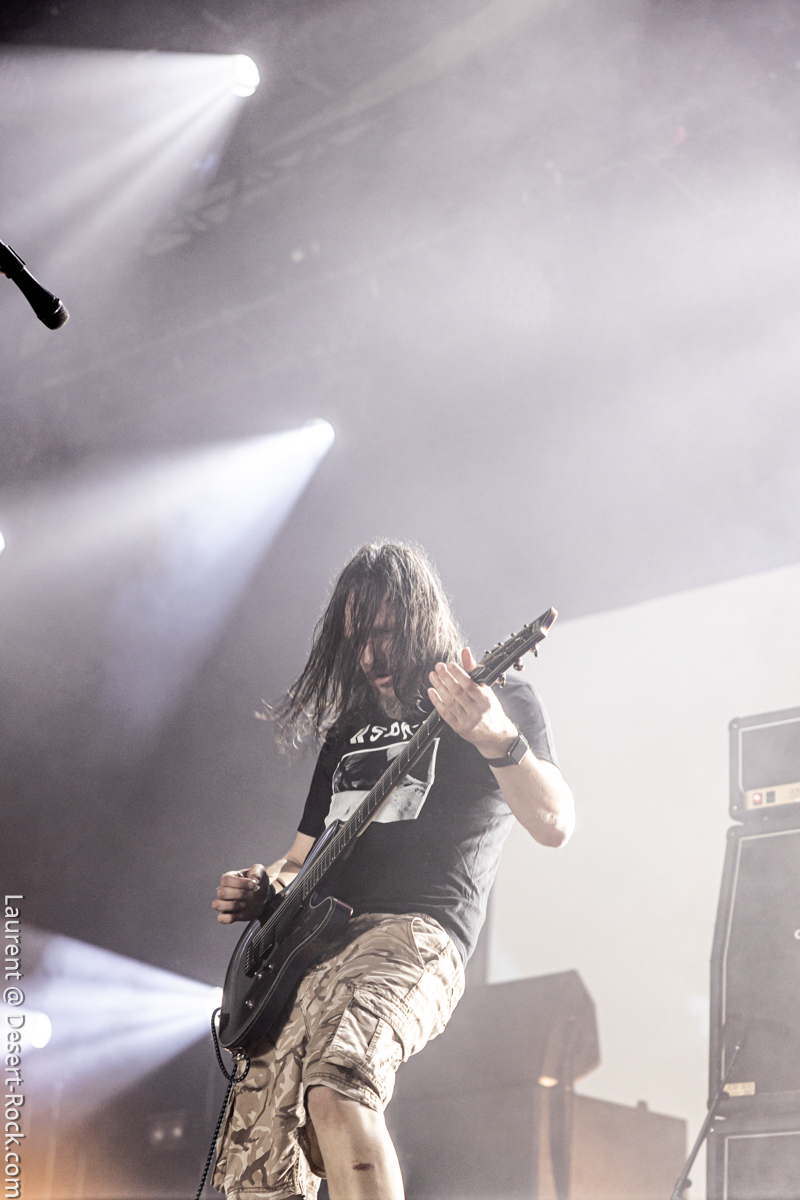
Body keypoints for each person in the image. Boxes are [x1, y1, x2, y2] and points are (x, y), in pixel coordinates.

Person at [211, 542, 574, 1200]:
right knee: (254, 1167)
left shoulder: (495, 697)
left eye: (384, 634)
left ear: (422, 619)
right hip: (308, 952)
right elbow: (298, 860)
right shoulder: (348, 727)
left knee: (338, 1082)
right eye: (358, 641)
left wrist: (495, 736)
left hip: (412, 936)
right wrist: (263, 888)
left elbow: (555, 823)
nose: (371, 658)